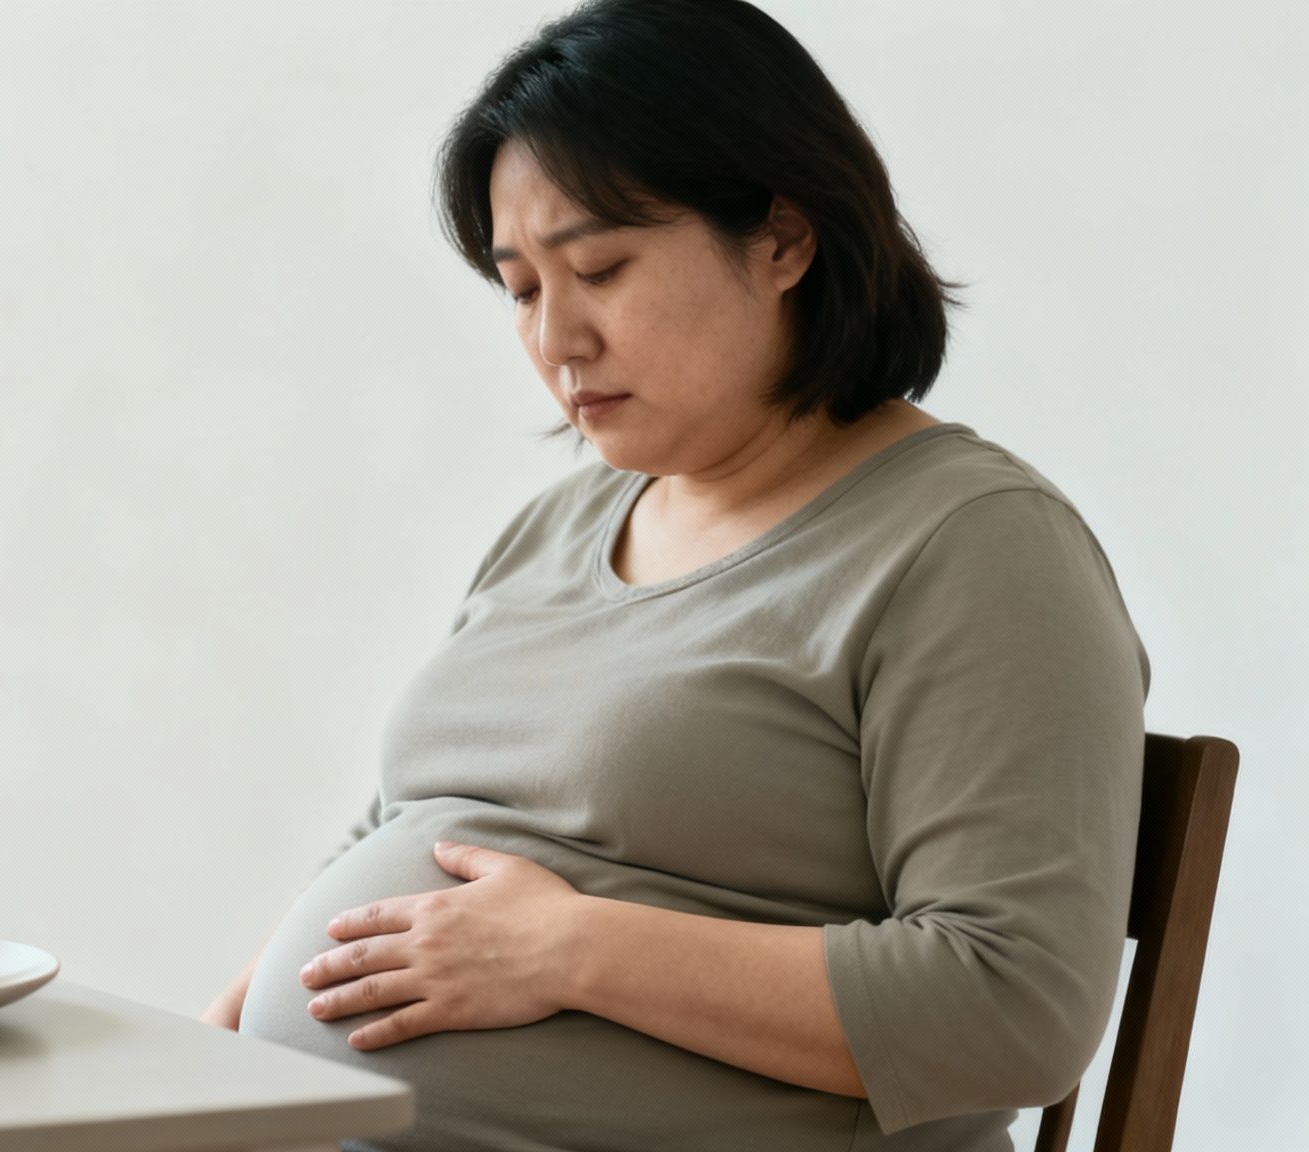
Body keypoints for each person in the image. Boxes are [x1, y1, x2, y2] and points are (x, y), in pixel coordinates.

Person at [201, 1, 1149, 1149]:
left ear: (782, 242)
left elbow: (1010, 1008)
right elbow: (404, 829)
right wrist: (246, 1024)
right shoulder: (560, 526)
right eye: (520, 288)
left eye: (597, 267)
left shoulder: (972, 547)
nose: (555, 341)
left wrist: (571, 949)